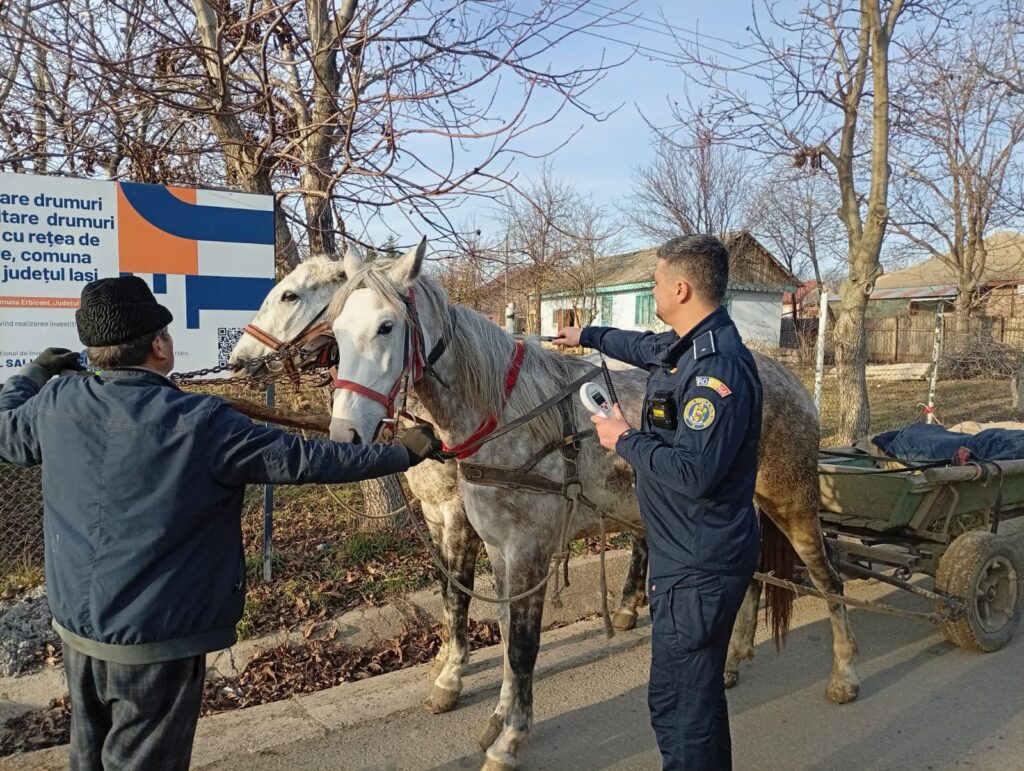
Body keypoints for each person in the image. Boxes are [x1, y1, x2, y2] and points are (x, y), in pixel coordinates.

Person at [0, 276, 442, 771]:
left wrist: (33, 374)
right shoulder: (200, 422)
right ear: (160, 345)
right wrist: (400, 455)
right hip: (157, 642)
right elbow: (304, 460)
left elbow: (4, 425)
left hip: (77, 632)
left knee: (90, 757)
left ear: (94, 352)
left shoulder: (55, 404)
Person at [553, 234, 762, 770]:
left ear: (682, 287)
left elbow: (694, 472)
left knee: (678, 709)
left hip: (698, 566)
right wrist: (586, 335)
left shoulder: (717, 369)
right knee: (697, 700)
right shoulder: (683, 344)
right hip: (686, 558)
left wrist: (623, 438)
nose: (652, 287)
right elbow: (638, 345)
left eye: (655, 280)